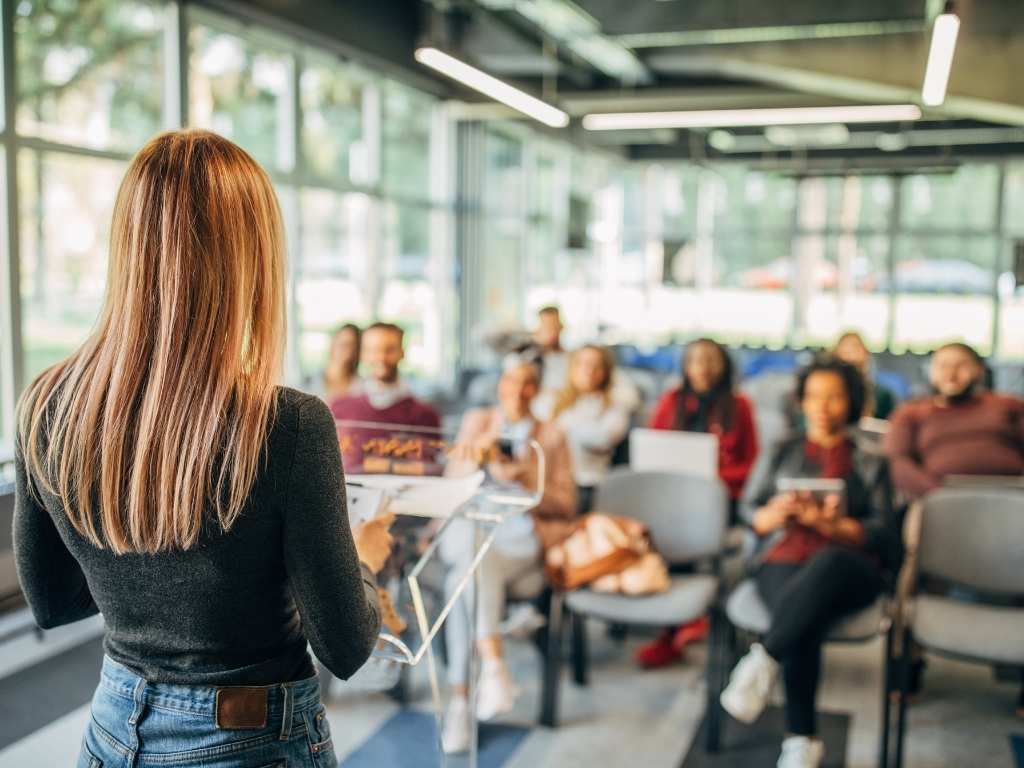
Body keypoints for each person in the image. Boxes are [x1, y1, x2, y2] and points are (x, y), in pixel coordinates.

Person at [12, 130, 393, 768]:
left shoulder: (46, 405)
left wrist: (150, 582)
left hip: (112, 728)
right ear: (252, 259)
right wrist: (364, 558)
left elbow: (54, 601)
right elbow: (347, 646)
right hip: (251, 741)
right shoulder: (288, 424)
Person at [720, 358, 895, 768]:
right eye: (814, 396)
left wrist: (834, 526)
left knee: (827, 565)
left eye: (834, 397)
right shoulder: (781, 449)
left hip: (850, 565)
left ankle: (764, 659)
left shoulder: (871, 459)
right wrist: (771, 517)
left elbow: (884, 535)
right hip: (784, 556)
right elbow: (749, 510)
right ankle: (802, 742)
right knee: (803, 614)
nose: (822, 406)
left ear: (851, 402)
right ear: (800, 401)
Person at [440, 355, 577, 753]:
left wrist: (525, 478)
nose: (516, 391)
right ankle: (494, 665)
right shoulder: (478, 421)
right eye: (509, 381)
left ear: (537, 389)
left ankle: (461, 702)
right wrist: (476, 456)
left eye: (526, 383)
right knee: (471, 549)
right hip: (470, 527)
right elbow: (449, 484)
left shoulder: (551, 435)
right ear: (499, 384)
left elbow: (566, 504)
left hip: (518, 537)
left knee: (460, 580)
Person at [635, 338, 759, 669]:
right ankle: (671, 627)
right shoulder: (671, 401)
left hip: (721, 500)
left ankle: (697, 619)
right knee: (662, 530)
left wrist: (712, 477)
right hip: (672, 499)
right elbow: (653, 451)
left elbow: (752, 466)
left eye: (710, 360)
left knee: (695, 530)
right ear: (686, 367)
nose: (703, 368)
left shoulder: (740, 406)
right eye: (695, 360)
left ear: (724, 366)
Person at [886, 341, 1024, 501]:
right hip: (938, 500)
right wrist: (939, 496)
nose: (951, 373)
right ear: (930, 371)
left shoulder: (1009, 405)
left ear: (979, 370)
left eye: (961, 365)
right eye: (942, 366)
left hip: (1013, 496)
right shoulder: (910, 413)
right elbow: (898, 461)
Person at [330, 322, 442, 474]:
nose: (381, 357)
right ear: (362, 355)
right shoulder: (339, 408)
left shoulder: (425, 415)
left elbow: (431, 469)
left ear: (402, 353)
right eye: (373, 350)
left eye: (389, 349)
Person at [541, 344, 638, 514]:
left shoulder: (614, 405)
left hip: (588, 483)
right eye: (582, 364)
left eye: (596, 366)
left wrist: (560, 428)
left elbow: (603, 438)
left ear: (606, 372)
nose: (589, 371)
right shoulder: (554, 401)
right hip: (551, 480)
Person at [832, 331, 897, 420]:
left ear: (866, 354)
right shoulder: (826, 393)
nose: (851, 353)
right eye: (846, 349)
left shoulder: (882, 395)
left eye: (855, 347)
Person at [534, 305, 570, 396]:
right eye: (546, 326)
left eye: (554, 326)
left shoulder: (571, 359)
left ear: (562, 327)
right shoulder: (526, 358)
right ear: (537, 329)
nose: (552, 332)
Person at [323, 323, 362, 403]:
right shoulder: (308, 381)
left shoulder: (361, 388)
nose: (345, 349)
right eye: (341, 343)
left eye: (351, 345)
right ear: (332, 344)